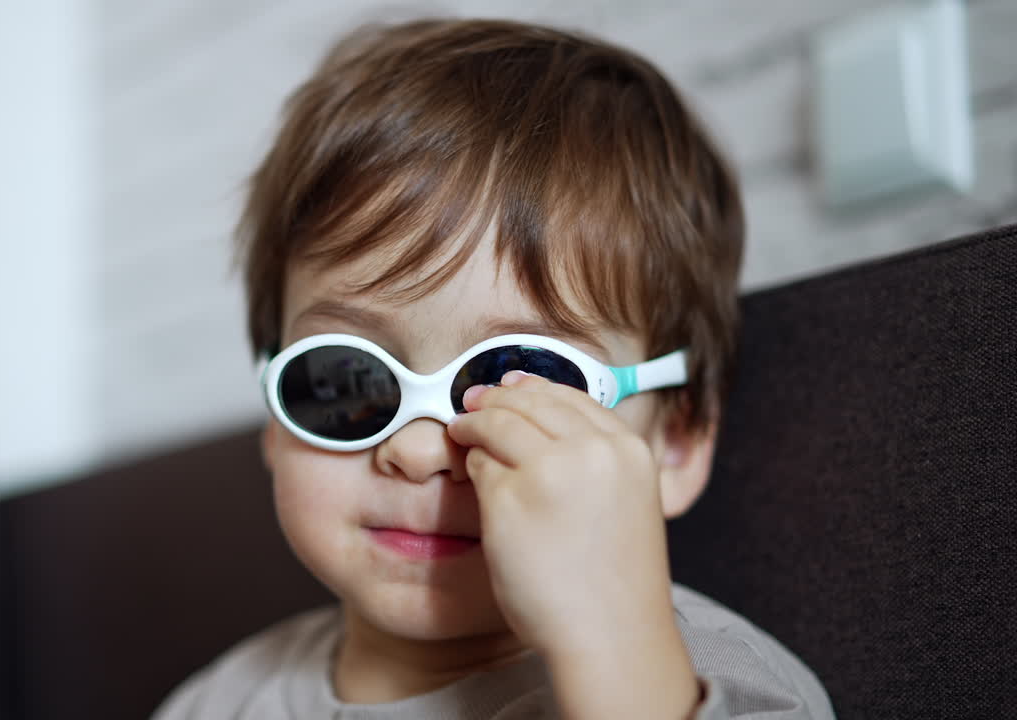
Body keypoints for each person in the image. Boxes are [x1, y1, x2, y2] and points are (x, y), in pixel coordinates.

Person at [154, 17, 835, 719]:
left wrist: (612, 642)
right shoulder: (220, 700)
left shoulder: (706, 685)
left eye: (515, 386)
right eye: (347, 378)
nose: (418, 451)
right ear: (275, 414)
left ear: (675, 442)